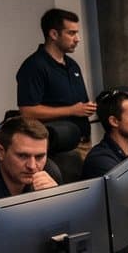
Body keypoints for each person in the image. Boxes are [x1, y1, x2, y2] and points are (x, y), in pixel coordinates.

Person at [15, 8, 94, 157]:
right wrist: (72, 110)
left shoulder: (72, 65)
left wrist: (87, 108)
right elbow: (27, 111)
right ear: (53, 34)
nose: (77, 39)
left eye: (77, 33)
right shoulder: (34, 66)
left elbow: (78, 105)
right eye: (71, 33)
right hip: (60, 149)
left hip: (83, 142)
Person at [0, 116, 60, 203]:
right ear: (0, 152)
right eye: (23, 156)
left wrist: (55, 200)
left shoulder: (50, 174)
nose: (32, 166)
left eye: (39, 157)